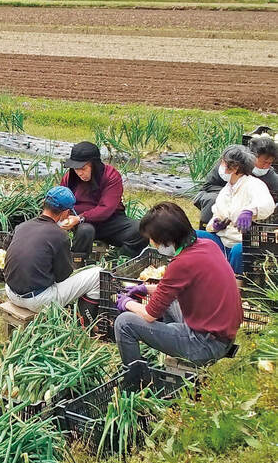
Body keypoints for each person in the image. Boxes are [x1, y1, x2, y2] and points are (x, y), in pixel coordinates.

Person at [114, 202, 242, 367]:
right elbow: (173, 290)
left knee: (124, 323)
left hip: (205, 344)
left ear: (166, 239)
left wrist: (127, 302)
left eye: (152, 239)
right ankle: (172, 350)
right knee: (169, 300)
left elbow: (149, 314)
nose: (152, 242)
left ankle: (135, 378)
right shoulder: (207, 245)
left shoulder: (181, 264)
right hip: (223, 336)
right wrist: (146, 288)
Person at [3, 186, 101, 313]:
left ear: (45, 204)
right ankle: (86, 322)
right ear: (65, 213)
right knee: (97, 274)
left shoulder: (22, 226)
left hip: (11, 293)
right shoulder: (60, 235)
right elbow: (63, 276)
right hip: (37, 301)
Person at [195, 144, 275, 274]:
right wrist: (216, 225)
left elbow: (267, 204)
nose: (221, 166)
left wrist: (250, 211)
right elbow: (217, 214)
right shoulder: (226, 190)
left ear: (235, 167)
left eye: (224, 163)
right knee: (194, 236)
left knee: (238, 250)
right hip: (223, 240)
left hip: (245, 242)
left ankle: (235, 284)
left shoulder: (254, 185)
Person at [59, 141, 146, 258]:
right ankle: (77, 264)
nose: (79, 172)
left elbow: (106, 208)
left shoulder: (111, 176)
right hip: (83, 224)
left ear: (94, 165)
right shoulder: (69, 178)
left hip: (111, 222)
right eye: (75, 168)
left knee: (141, 230)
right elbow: (61, 201)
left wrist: (80, 218)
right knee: (86, 231)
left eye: (83, 168)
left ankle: (117, 263)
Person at [193, 136, 278, 226]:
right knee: (213, 200)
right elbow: (208, 186)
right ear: (253, 157)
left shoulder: (266, 178)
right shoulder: (228, 167)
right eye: (264, 162)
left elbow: (266, 203)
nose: (267, 166)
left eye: (270, 163)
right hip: (218, 197)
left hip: (241, 224)